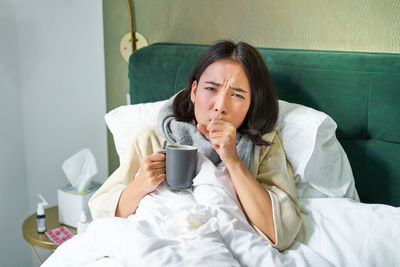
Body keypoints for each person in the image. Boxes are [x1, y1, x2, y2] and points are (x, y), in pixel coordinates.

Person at [89, 40, 301, 251]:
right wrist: (141, 184)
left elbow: (282, 232)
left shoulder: (263, 147)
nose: (220, 107)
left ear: (251, 104)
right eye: (211, 88)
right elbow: (101, 212)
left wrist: (233, 161)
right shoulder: (153, 138)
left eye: (237, 95)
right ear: (193, 91)